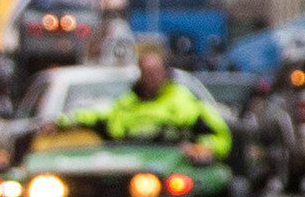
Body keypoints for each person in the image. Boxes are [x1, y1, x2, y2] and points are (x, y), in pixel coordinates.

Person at [68, 46, 233, 157]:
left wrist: (201, 148)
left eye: (155, 72)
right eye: (147, 73)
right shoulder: (126, 105)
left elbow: (220, 137)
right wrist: (60, 122)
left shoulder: (186, 103)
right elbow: (92, 117)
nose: (151, 78)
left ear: (165, 73)